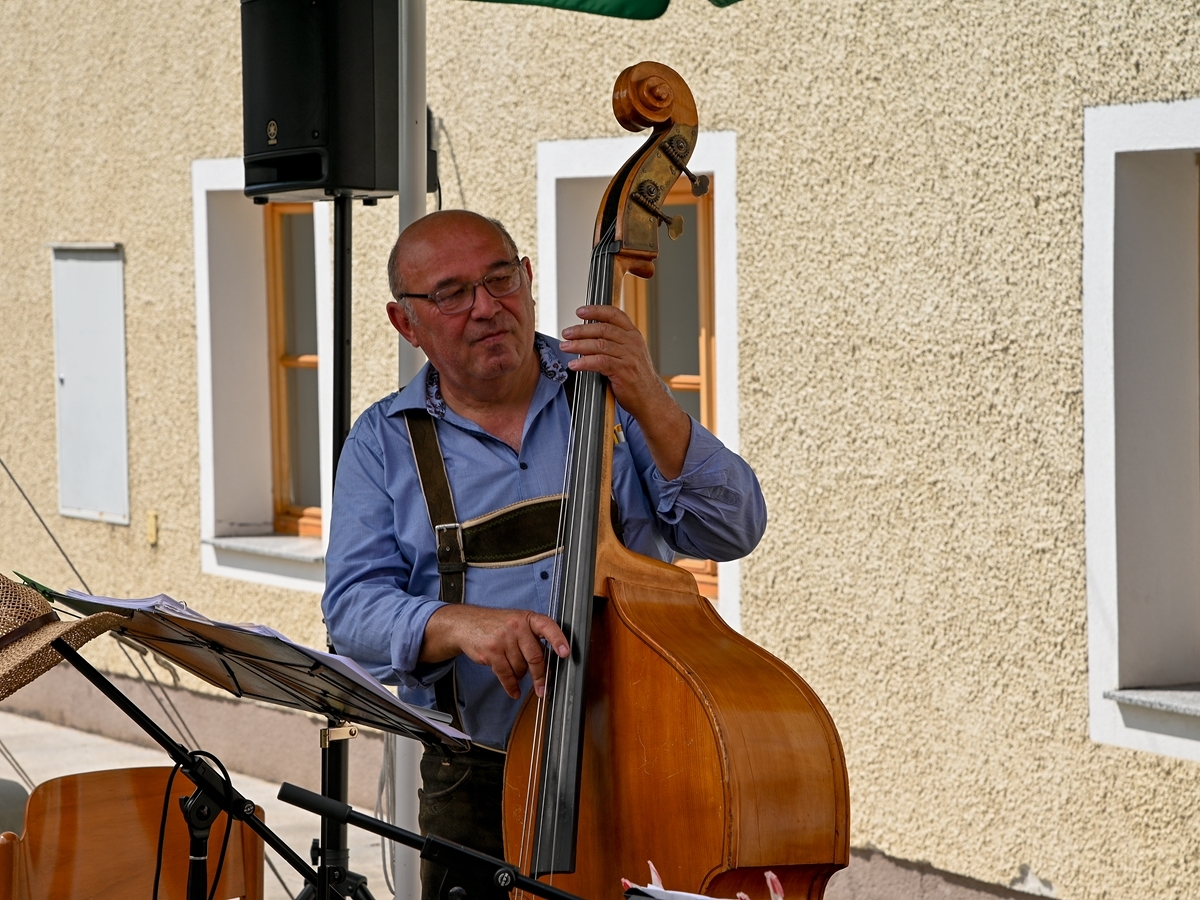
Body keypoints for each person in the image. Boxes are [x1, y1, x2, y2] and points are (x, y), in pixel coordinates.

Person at [321, 209, 766, 900]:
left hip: (647, 758)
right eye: (451, 293)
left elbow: (732, 530)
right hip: (479, 778)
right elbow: (351, 611)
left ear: (528, 279)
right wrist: (458, 624)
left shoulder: (612, 389)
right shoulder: (382, 442)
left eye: (500, 279)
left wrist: (650, 394)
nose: (485, 307)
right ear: (405, 322)